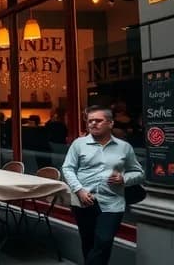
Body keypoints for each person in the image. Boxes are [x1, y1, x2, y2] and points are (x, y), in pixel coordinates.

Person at [62, 106, 144, 265]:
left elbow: (139, 173)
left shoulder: (124, 147)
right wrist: (79, 190)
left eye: (98, 120)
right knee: (88, 242)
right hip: (84, 201)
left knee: (104, 241)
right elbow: (68, 168)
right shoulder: (78, 144)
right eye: (90, 121)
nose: (93, 124)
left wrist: (124, 179)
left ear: (110, 123)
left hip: (112, 202)